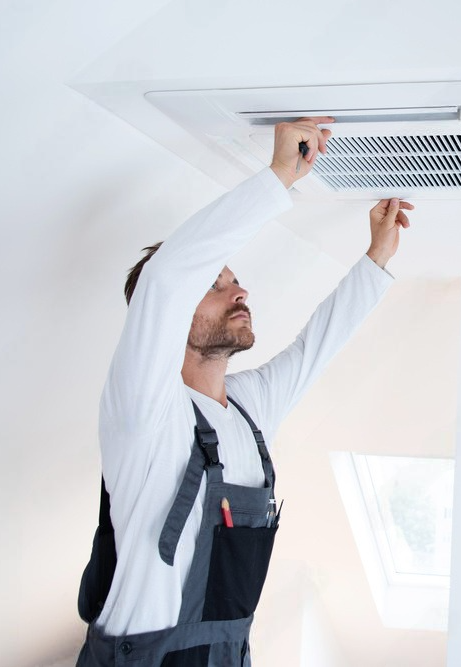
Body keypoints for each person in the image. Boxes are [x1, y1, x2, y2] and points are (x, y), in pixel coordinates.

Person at [76, 117, 412, 666]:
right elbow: (164, 280)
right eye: (216, 283)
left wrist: (376, 258)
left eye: (232, 280)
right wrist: (279, 175)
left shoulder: (249, 411)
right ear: (166, 318)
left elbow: (314, 349)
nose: (240, 291)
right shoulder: (142, 410)